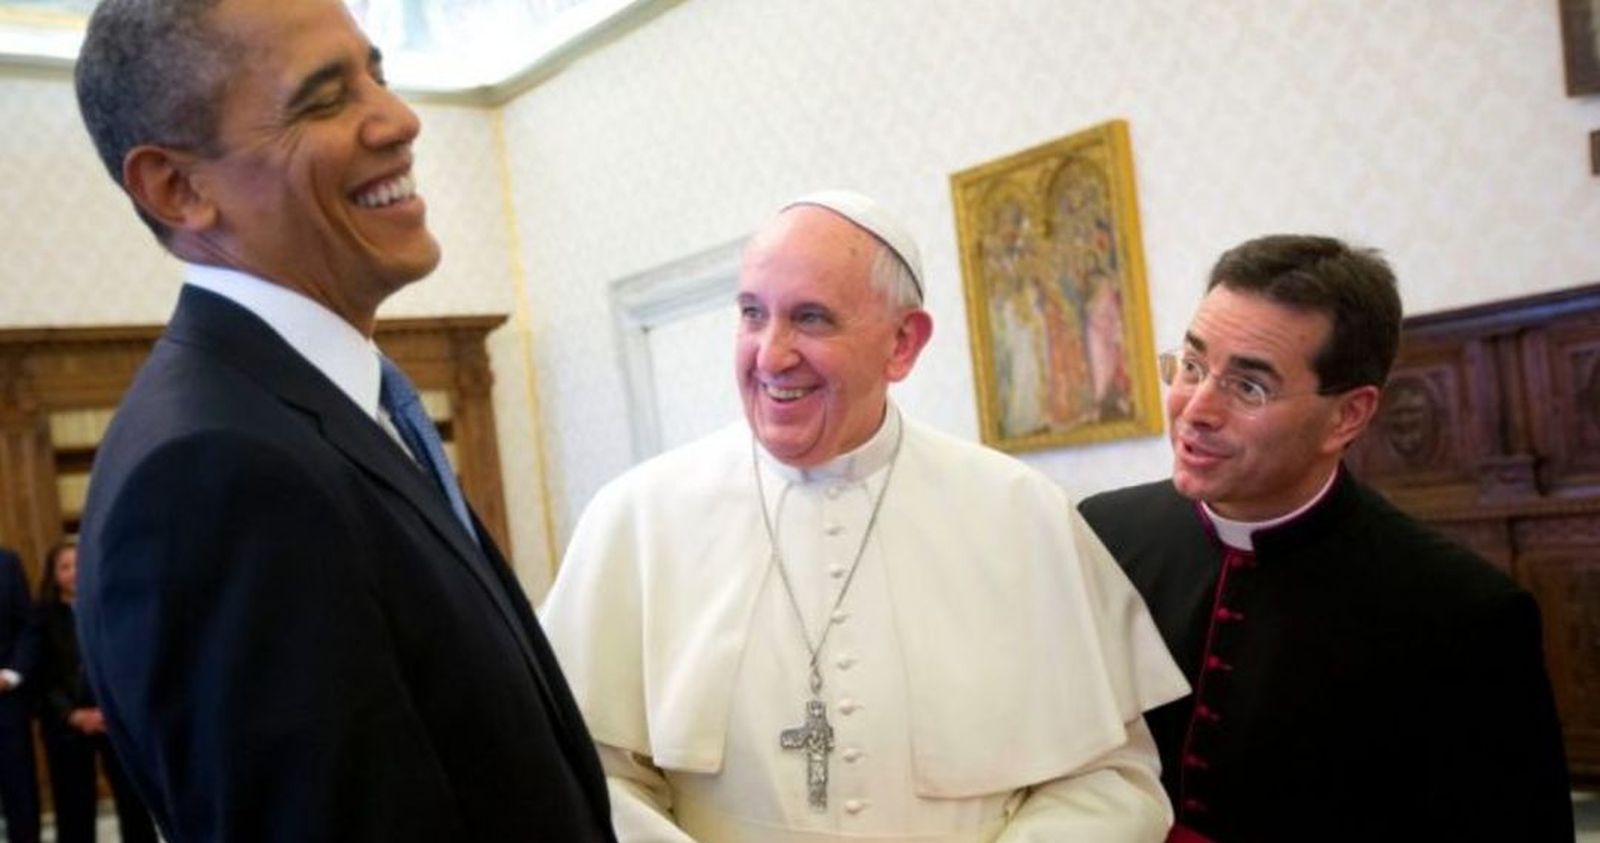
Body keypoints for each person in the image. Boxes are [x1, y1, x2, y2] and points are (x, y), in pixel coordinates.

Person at [71, 1, 614, 839]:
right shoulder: (216, 477)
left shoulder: (318, 410)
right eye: (325, 99)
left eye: (379, 75)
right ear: (180, 188)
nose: (399, 120)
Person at [541, 190, 1190, 841]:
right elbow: (584, 771)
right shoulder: (638, 518)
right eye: (751, 314)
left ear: (903, 342)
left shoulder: (1020, 512)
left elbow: (1112, 780)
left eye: (812, 318)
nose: (771, 354)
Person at [1078, 234, 1574, 841]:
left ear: (1348, 416)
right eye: (1192, 366)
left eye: (1248, 386)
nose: (1195, 408)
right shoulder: (1102, 534)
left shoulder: (1466, 614)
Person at [35, 542, 156, 843]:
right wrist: (73, 715)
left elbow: (129, 662)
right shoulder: (41, 619)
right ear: (53, 575)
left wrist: (112, 710)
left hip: (114, 719)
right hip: (67, 726)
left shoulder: (110, 608)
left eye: (79, 564)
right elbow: (40, 677)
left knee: (134, 803)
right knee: (74, 807)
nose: (74, 572)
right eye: (65, 567)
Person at [0, 546, 40, 843]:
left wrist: (11, 674)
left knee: (20, 792)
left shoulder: (7, 562)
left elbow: (27, 624)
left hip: (6, 700)